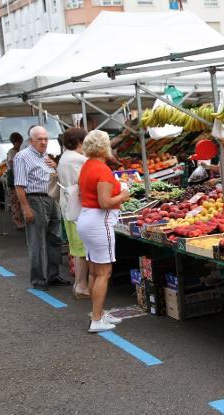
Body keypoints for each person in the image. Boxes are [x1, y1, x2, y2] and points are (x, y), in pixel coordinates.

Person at [77, 130, 130, 333]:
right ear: (103, 147)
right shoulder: (102, 170)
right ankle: (97, 319)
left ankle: (96, 312)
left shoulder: (87, 166)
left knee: (94, 271)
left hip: (86, 218)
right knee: (104, 273)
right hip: (99, 222)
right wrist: (123, 195)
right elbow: (105, 202)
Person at [14, 126, 69, 290]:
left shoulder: (44, 155)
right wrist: (26, 208)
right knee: (37, 242)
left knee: (55, 239)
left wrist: (55, 166)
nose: (44, 142)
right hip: (35, 200)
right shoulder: (22, 157)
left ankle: (53, 275)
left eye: (46, 138)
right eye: (40, 139)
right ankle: (38, 279)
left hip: (51, 199)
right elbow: (19, 185)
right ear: (31, 141)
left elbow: (51, 176)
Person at [57, 127, 90, 299]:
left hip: (67, 206)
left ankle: (79, 284)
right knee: (82, 249)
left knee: (76, 247)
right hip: (77, 207)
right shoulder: (79, 160)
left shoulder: (64, 157)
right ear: (79, 142)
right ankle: (82, 286)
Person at [6, 132, 25, 230]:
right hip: (14, 180)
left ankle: (21, 221)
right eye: (19, 142)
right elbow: (12, 165)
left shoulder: (19, 151)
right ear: (15, 142)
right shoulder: (12, 152)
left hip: (19, 179)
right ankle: (18, 222)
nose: (20, 143)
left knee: (20, 201)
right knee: (15, 202)